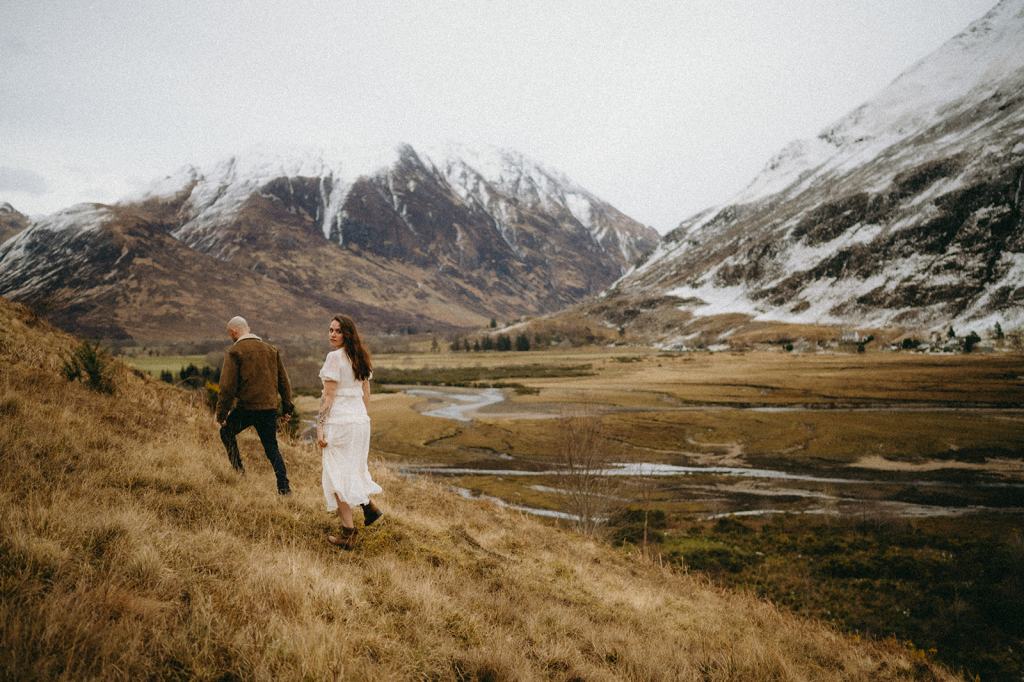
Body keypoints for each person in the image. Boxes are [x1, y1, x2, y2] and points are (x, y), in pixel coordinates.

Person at [317, 314, 383, 549]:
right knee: (353, 469)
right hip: (360, 423)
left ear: (347, 334)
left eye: (337, 331)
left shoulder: (334, 358)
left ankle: (348, 533)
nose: (332, 334)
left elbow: (328, 397)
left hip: (341, 423)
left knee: (336, 476)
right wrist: (361, 417)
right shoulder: (360, 357)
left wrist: (320, 427)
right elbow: (366, 392)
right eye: (330, 330)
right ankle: (368, 507)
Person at [215, 316, 294, 495]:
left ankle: (239, 473)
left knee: (226, 433)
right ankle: (284, 488)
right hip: (269, 409)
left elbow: (227, 387)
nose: (230, 337)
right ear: (248, 328)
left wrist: (221, 414)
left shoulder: (235, 351)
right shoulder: (271, 350)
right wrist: (287, 408)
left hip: (247, 408)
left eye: (229, 334)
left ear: (233, 332)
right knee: (272, 448)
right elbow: (284, 381)